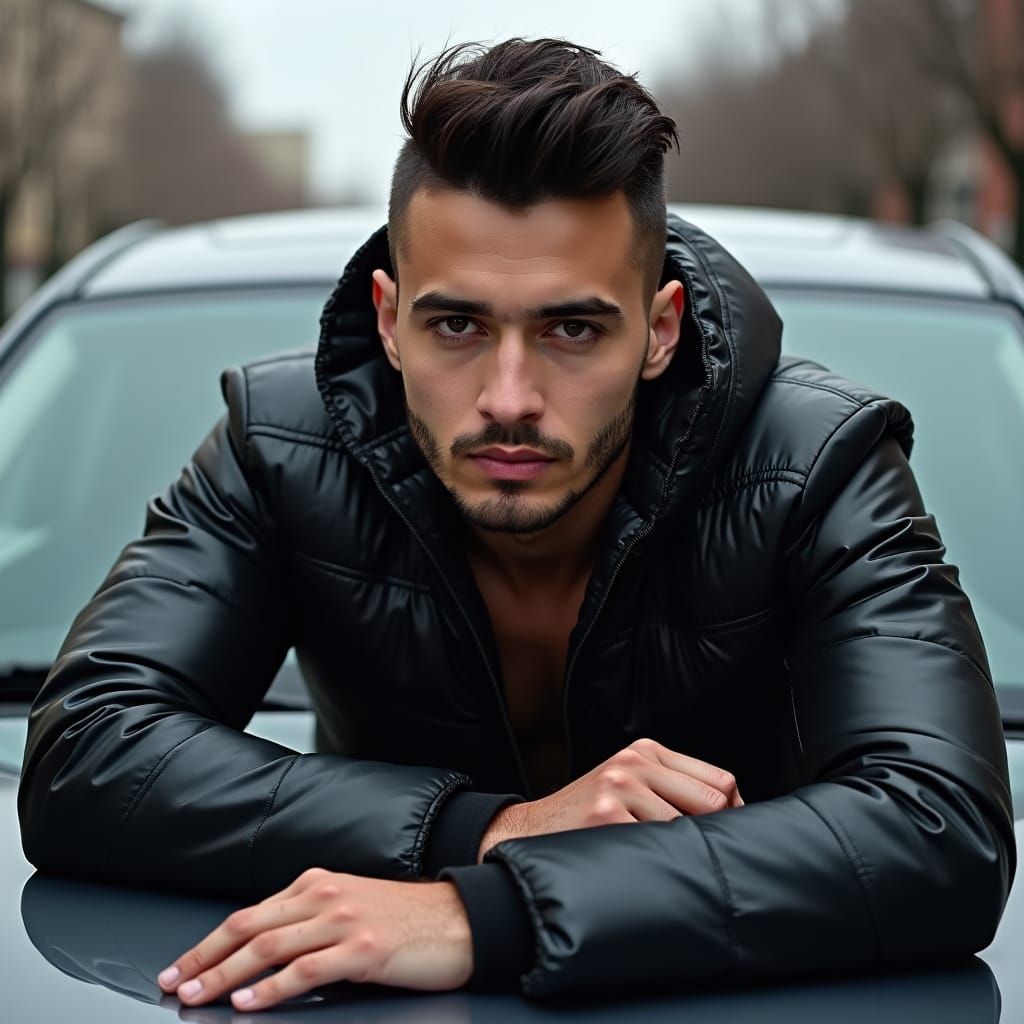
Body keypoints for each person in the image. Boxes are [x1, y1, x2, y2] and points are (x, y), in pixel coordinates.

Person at [18, 37, 1014, 1012]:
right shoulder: (279, 448)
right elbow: (86, 751)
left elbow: (940, 827)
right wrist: (487, 830)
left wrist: (486, 914)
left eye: (571, 329)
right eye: (457, 325)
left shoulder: (817, 466)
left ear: (660, 328)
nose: (508, 398)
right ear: (389, 320)